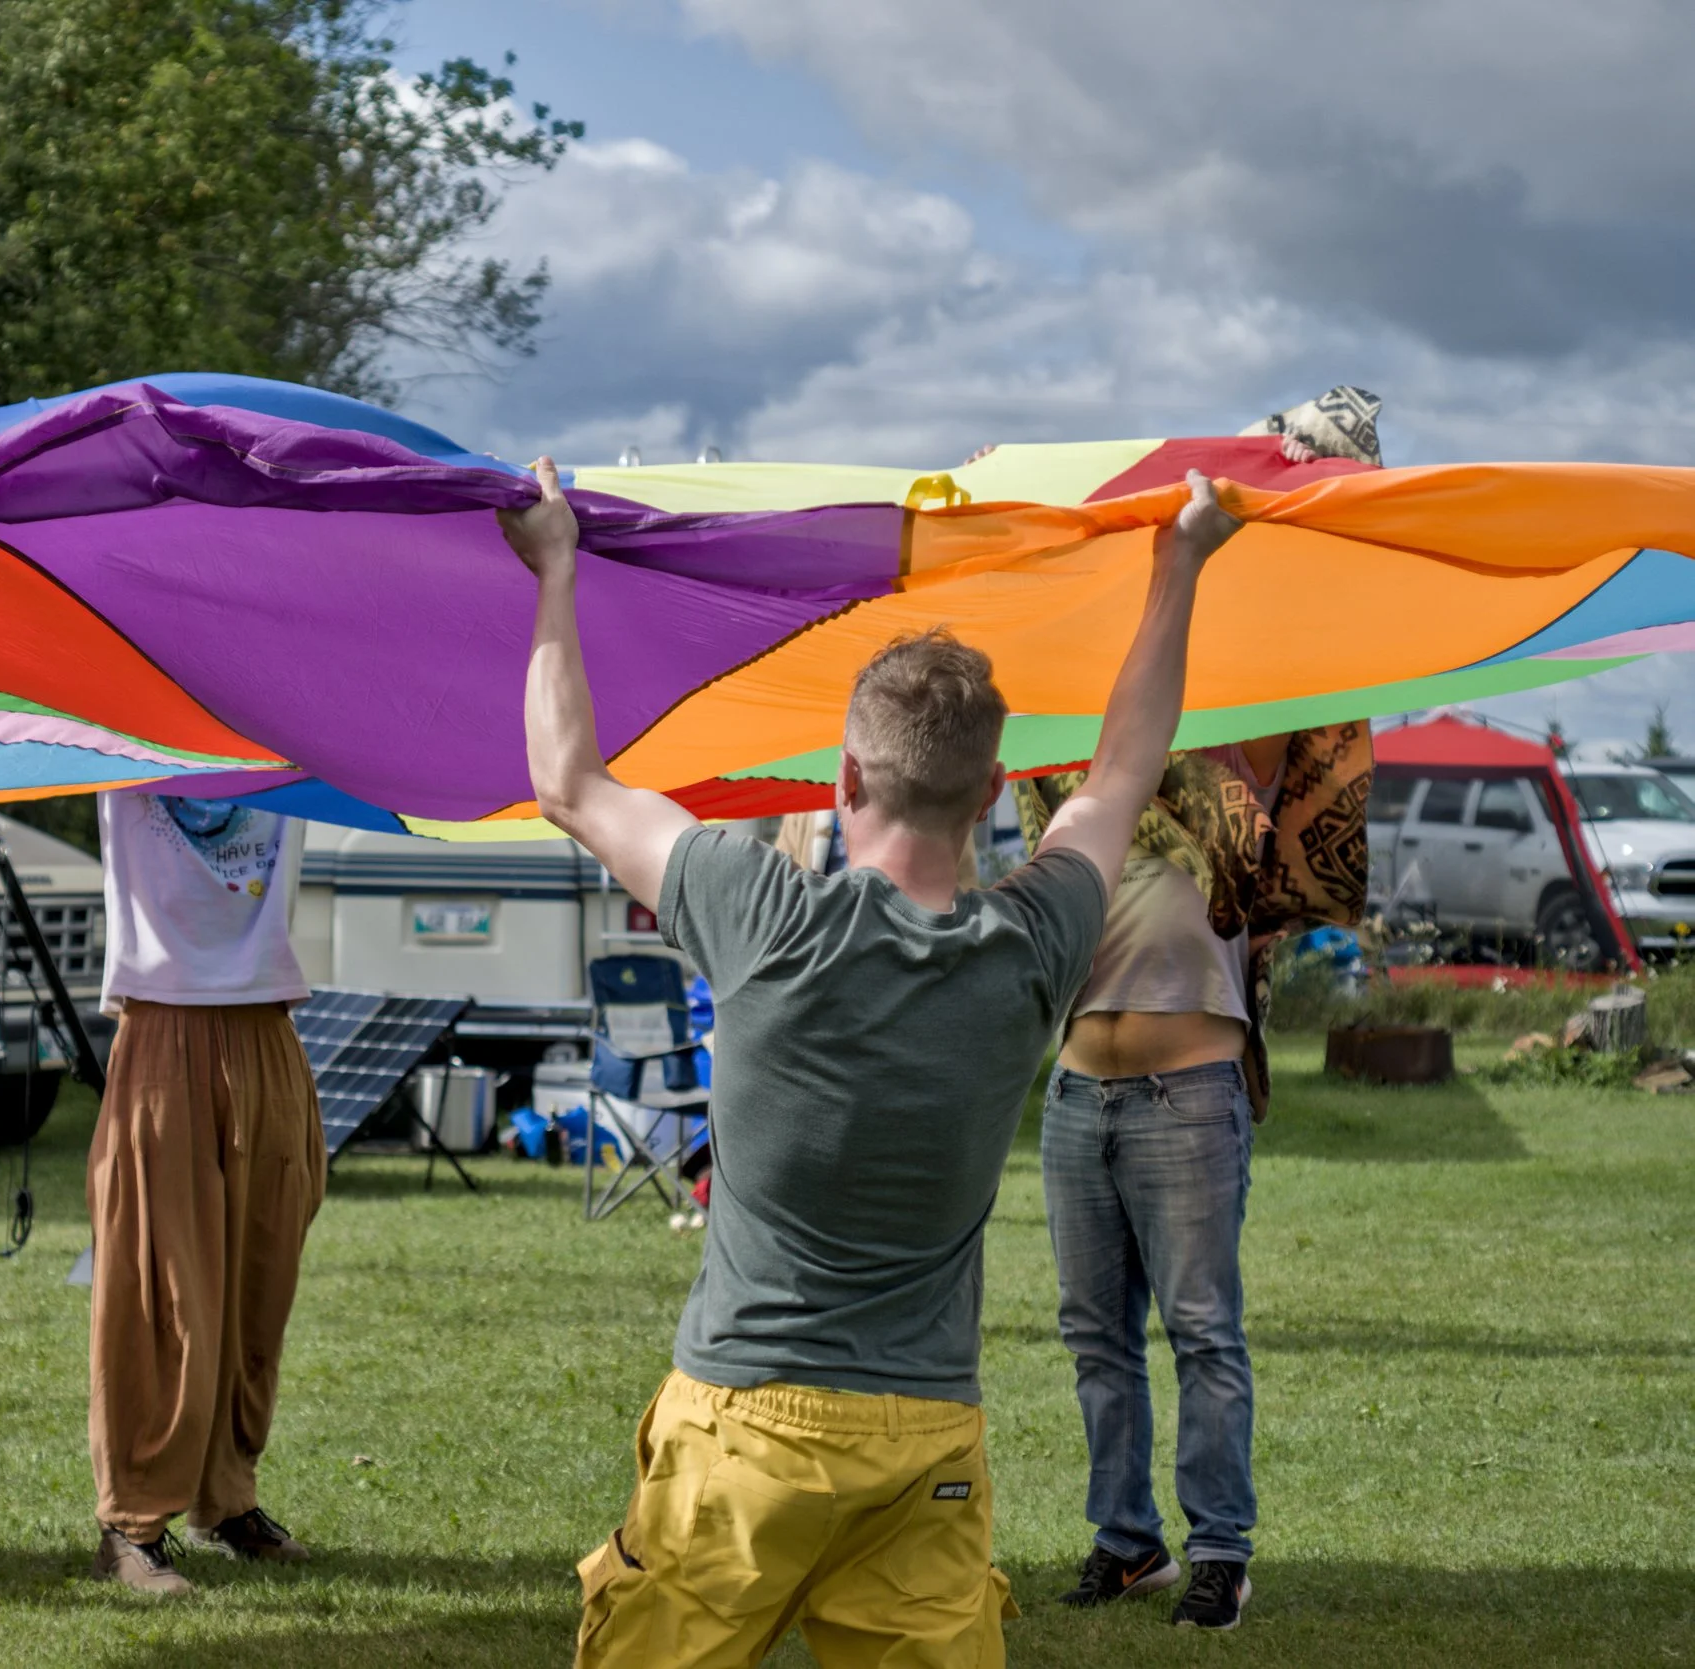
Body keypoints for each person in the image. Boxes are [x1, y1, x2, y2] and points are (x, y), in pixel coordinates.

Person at [499, 454, 1242, 1667]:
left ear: (842, 779)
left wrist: (555, 568)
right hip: (924, 1442)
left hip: (743, 1434)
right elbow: (1121, 769)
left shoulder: (759, 913)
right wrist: (1181, 563)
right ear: (995, 790)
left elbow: (565, 780)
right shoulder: (1037, 942)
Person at [1013, 728, 1367, 1631]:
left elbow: (1297, 703)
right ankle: (1129, 1543)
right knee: (1097, 1335)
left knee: (1203, 1330)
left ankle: (1220, 1556)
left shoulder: (1235, 757)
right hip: (1077, 1089)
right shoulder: (1066, 775)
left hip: (1190, 1090)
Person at [85, 791, 323, 1596]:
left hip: (265, 1022)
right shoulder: (132, 713)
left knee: (259, 1290)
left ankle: (227, 1497)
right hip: (164, 1021)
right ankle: (130, 1523)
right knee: (160, 1291)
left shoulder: (289, 709)